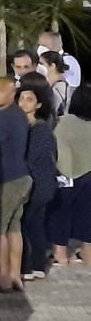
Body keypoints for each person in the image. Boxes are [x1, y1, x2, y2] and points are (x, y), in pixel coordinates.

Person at [0, 77, 31, 291]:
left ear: (13, 94)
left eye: (0, 90)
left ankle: (1, 276)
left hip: (8, 180)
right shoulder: (18, 114)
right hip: (21, 177)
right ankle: (14, 274)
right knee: (14, 228)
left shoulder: (4, 117)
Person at [17, 76, 59, 280]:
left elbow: (34, 159)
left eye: (29, 99)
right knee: (35, 224)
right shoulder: (26, 127)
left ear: (39, 104)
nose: (23, 103)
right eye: (21, 98)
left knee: (27, 224)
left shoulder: (40, 129)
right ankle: (37, 266)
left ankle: (28, 266)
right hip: (37, 183)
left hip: (38, 184)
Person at [49, 86, 91, 266]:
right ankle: (88, 253)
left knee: (61, 213)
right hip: (89, 174)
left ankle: (60, 254)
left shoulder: (62, 122)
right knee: (87, 214)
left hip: (66, 174)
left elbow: (56, 147)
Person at [42, 51, 73, 117]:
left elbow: (52, 109)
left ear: (52, 66)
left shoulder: (59, 86)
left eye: (42, 64)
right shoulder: (52, 83)